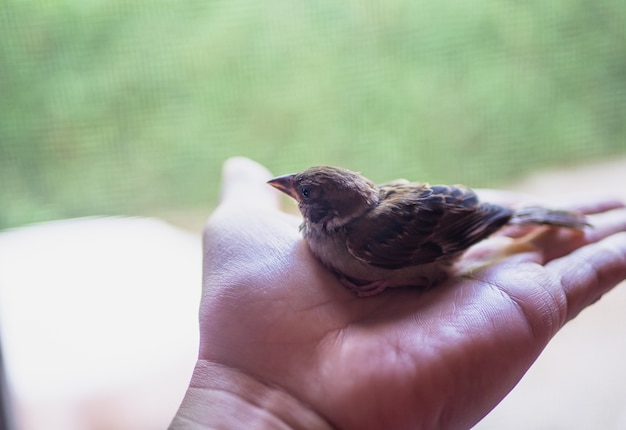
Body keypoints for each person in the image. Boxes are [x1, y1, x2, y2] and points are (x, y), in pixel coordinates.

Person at [170, 157, 626, 429]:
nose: (289, 187)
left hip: (458, 231)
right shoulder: (334, 230)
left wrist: (495, 220)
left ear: (326, 208)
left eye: (302, 190)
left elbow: (444, 248)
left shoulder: (361, 239)